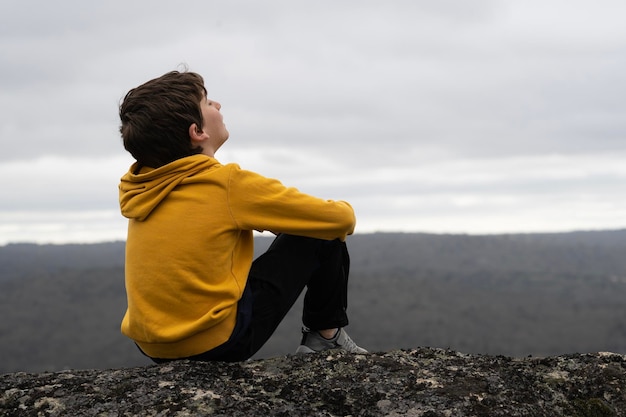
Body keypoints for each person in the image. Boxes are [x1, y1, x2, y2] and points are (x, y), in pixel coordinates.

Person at [117, 70, 366, 363]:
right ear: (197, 132)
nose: (218, 105)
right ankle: (326, 338)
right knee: (322, 234)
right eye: (208, 103)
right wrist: (291, 223)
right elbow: (341, 219)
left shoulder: (143, 187)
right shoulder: (227, 184)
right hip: (217, 344)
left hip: (154, 347)